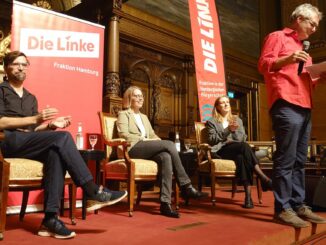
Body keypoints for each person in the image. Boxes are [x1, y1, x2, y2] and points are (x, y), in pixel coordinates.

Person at [0, 51, 127, 239]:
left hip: (27, 143)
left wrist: (50, 125)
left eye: (24, 64)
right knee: (63, 138)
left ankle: (50, 219)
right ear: (6, 67)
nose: (21, 67)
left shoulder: (30, 98)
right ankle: (92, 190)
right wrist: (35, 118)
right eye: (16, 64)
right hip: (7, 142)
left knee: (55, 152)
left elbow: (33, 132)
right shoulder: (1, 90)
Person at [258, 3, 326, 228]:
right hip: (286, 103)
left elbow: (303, 78)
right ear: (298, 19)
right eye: (312, 23)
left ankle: (298, 205)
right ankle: (282, 208)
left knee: (299, 160)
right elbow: (264, 64)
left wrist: (319, 77)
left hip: (305, 105)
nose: (315, 29)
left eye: (317, 25)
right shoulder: (277, 37)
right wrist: (288, 58)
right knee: (286, 159)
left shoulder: (304, 50)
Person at [116, 86, 207, 218]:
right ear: (129, 98)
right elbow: (123, 134)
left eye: (141, 95)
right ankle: (186, 186)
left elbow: (152, 135)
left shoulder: (144, 117)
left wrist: (158, 142)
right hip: (132, 148)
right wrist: (145, 139)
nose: (141, 98)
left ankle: (165, 204)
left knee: (165, 156)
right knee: (169, 144)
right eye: (136, 95)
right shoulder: (123, 114)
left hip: (145, 147)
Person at [206, 95, 272, 209]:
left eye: (227, 102)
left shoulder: (237, 120)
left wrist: (234, 132)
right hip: (222, 150)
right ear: (217, 107)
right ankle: (261, 176)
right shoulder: (212, 122)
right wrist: (228, 130)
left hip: (237, 148)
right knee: (245, 147)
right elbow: (212, 140)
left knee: (242, 157)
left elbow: (241, 139)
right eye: (222, 102)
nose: (226, 104)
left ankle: (248, 197)